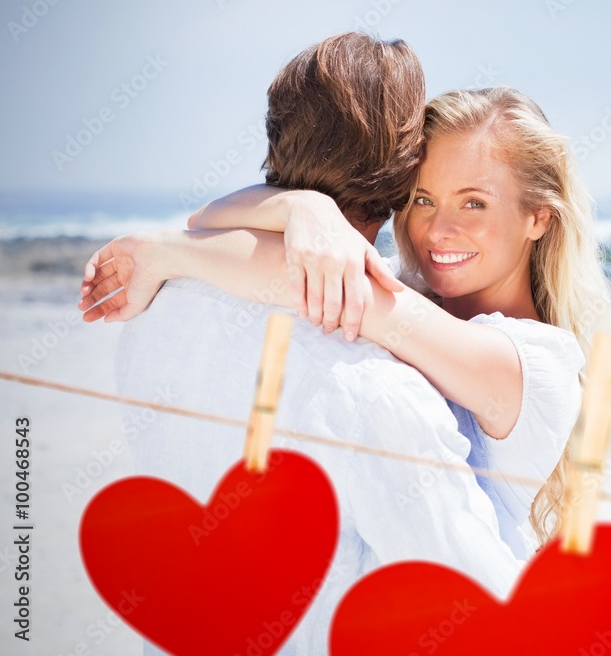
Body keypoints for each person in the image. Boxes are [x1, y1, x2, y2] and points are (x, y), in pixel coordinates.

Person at [79, 33, 525, 654]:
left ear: (277, 140)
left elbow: (209, 222)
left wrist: (297, 206)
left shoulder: (156, 298)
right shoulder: (373, 381)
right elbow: (477, 594)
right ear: (405, 169)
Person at [83, 86, 611, 558]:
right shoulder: (411, 299)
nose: (438, 230)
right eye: (421, 199)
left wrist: (169, 254)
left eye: (473, 203)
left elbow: (316, 280)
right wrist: (307, 209)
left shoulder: (539, 365)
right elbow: (213, 216)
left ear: (538, 217)